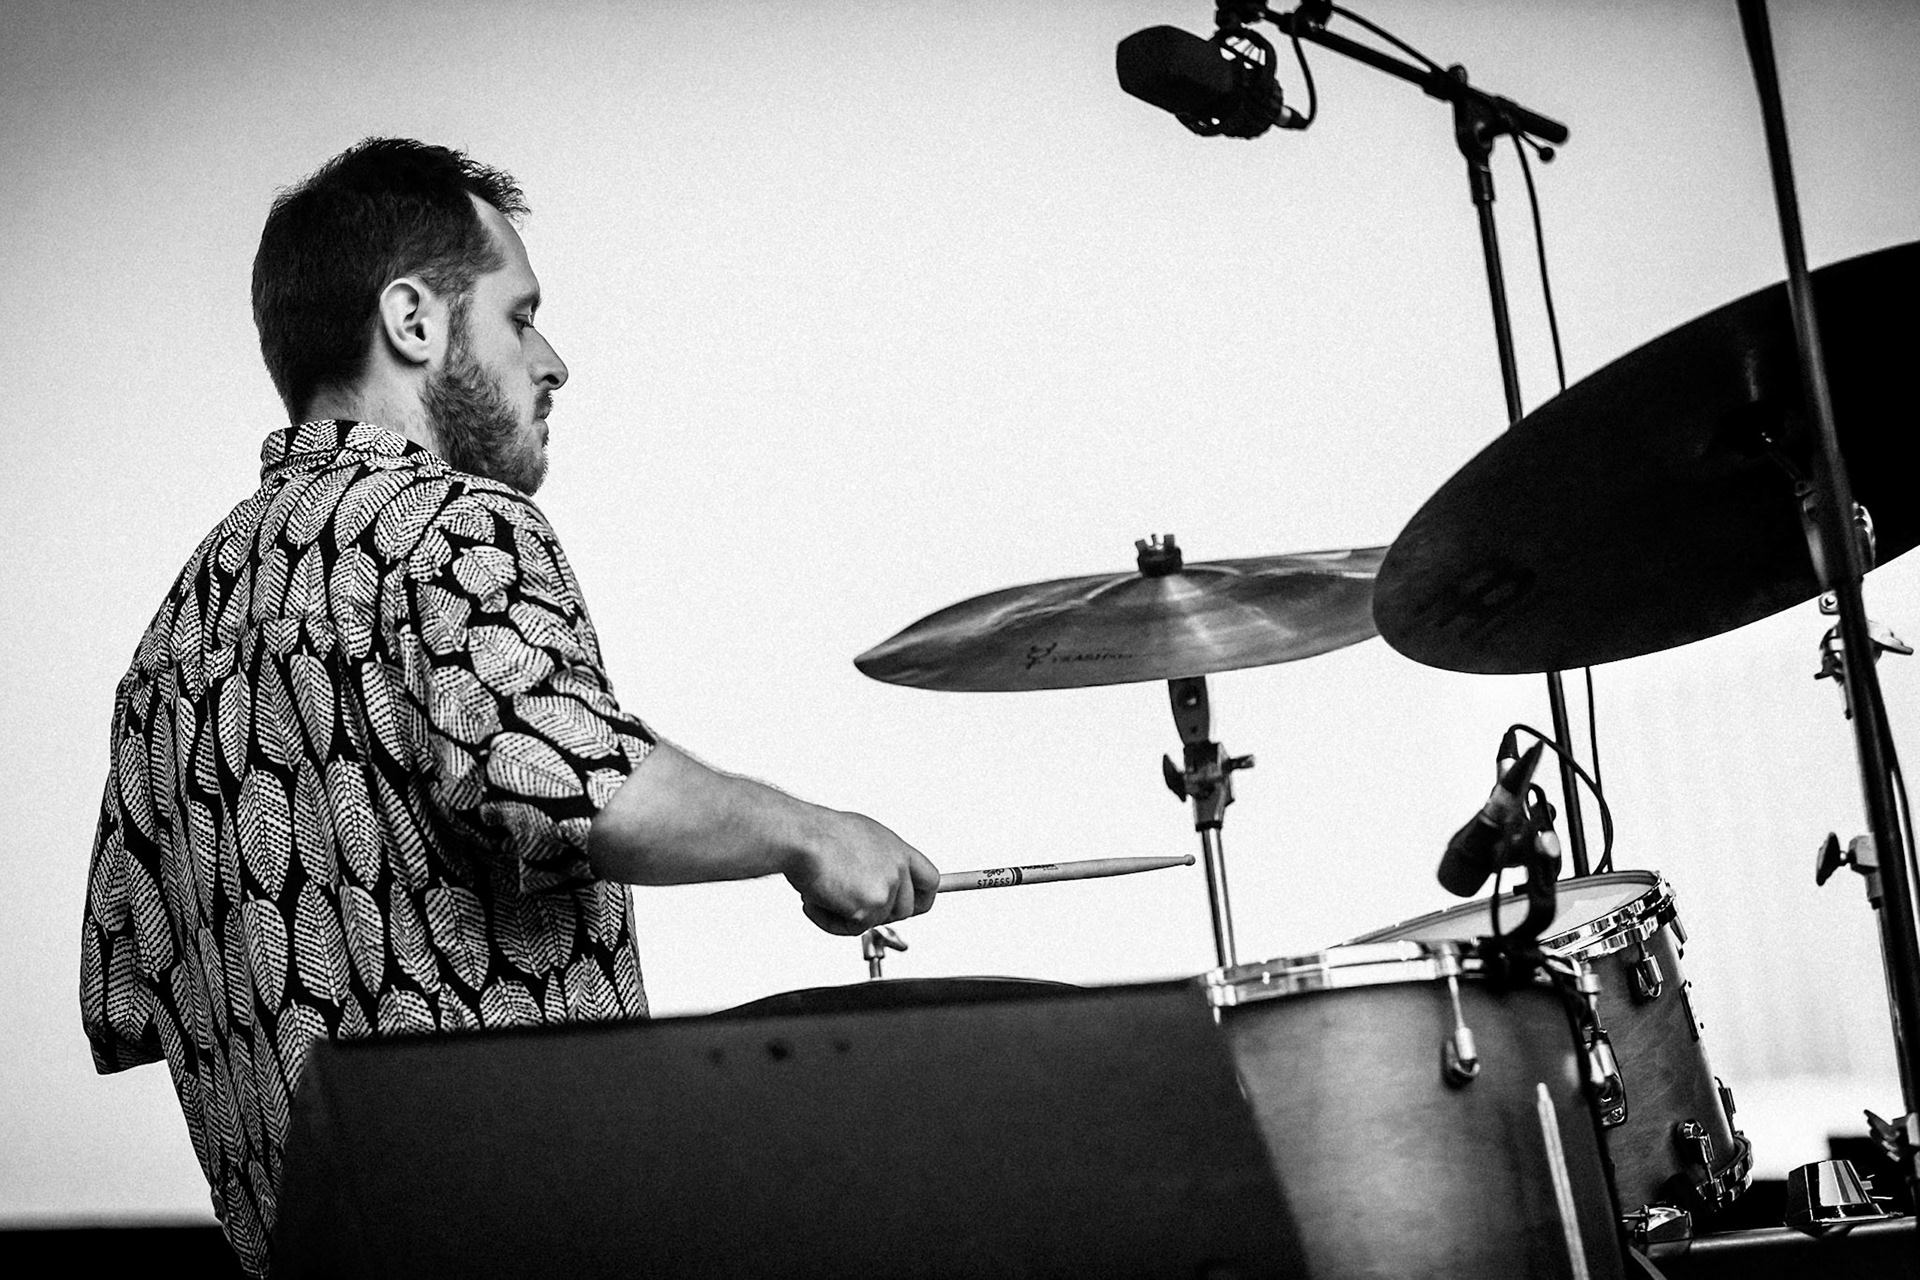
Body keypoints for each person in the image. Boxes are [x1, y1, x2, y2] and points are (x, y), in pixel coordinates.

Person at [80, 137, 940, 1277]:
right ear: (414, 320)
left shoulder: (171, 638)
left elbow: (124, 996)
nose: (555, 360)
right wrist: (812, 831)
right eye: (522, 314)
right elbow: (571, 781)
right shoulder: (453, 523)